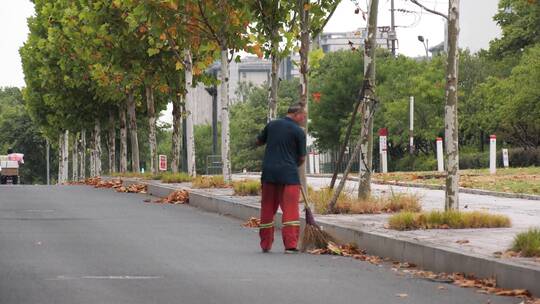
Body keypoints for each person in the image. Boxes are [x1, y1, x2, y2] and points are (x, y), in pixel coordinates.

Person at [256, 103, 306, 253]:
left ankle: (265, 244)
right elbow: (302, 157)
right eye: (303, 115)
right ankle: (290, 245)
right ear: (297, 114)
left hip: (269, 173)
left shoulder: (272, 125)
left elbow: (258, 141)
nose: (304, 119)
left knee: (267, 208)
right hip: (289, 175)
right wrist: (293, 164)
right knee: (290, 210)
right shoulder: (299, 131)